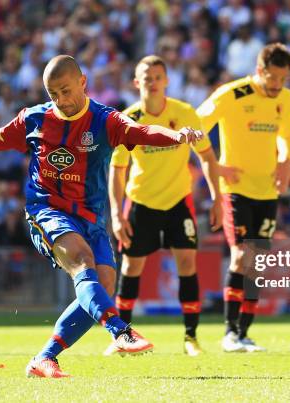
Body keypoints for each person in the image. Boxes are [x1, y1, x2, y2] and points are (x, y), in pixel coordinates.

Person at [0, 55, 202, 378]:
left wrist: (176, 137)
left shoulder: (105, 120)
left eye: (66, 90)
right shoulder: (35, 120)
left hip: (91, 218)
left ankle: (44, 357)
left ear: (83, 83)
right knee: (82, 261)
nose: (61, 100)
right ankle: (121, 330)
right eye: (53, 94)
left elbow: (141, 130)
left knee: (104, 284)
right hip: (46, 211)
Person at [107, 55, 223, 356]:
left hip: (178, 202)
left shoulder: (184, 113)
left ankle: (191, 338)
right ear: (136, 82)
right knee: (132, 267)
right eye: (146, 76)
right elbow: (117, 170)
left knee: (187, 263)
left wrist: (217, 198)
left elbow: (207, 157)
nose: (152, 80)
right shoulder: (128, 120)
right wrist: (117, 215)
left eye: (158, 75)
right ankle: (122, 339)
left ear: (167, 80)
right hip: (141, 202)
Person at [196, 43, 290, 352]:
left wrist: (285, 162)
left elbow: (286, 137)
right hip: (236, 191)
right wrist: (217, 166)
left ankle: (245, 333)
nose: (278, 85)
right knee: (241, 257)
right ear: (260, 71)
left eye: (284, 79)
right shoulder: (232, 94)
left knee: (258, 262)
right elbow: (197, 127)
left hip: (267, 191)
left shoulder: (285, 98)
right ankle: (229, 332)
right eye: (274, 78)